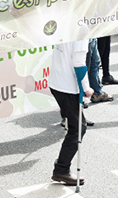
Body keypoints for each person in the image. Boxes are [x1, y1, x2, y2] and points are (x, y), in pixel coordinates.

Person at [48, 38, 91, 186]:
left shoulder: (68, 21)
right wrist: (86, 87)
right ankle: (61, 169)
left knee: (76, 125)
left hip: (57, 81)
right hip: (67, 85)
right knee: (78, 128)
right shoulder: (82, 29)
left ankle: (61, 168)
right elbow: (78, 63)